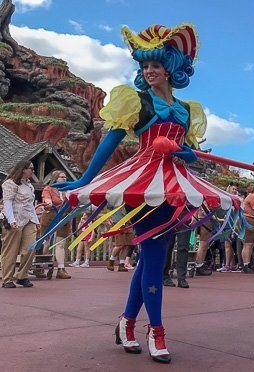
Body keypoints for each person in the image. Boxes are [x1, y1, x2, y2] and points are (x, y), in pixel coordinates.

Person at [53, 23, 240, 363]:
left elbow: (190, 151)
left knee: (153, 257)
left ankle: (126, 323)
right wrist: (84, 180)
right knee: (154, 257)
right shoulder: (136, 100)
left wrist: (187, 153)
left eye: (155, 64)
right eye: (144, 66)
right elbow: (110, 138)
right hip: (143, 185)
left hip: (174, 186)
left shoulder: (187, 109)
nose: (149, 71)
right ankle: (156, 329)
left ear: (171, 66)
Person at [1, 160, 39, 288]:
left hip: (28, 220)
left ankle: (22, 276)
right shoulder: (10, 184)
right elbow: (7, 203)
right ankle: (7, 279)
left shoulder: (29, 186)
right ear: (23, 169)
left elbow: (30, 205)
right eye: (31, 169)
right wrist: (11, 220)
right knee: (10, 250)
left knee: (30, 248)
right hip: (14, 220)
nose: (33, 171)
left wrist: (36, 220)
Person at [41, 170, 72, 279]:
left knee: (60, 244)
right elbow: (47, 200)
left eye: (65, 177)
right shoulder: (48, 189)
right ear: (55, 178)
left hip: (63, 218)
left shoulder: (67, 191)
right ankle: (42, 265)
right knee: (46, 243)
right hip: (50, 218)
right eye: (61, 177)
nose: (64, 179)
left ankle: (61, 269)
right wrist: (48, 202)